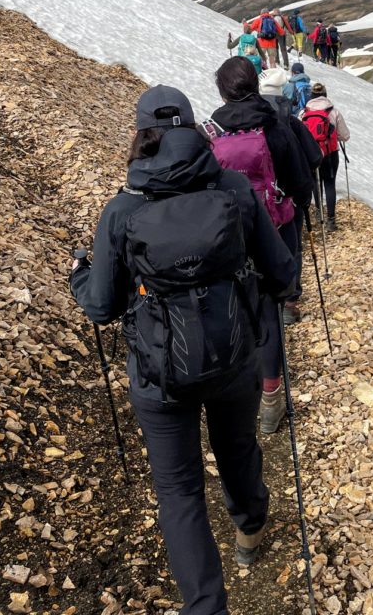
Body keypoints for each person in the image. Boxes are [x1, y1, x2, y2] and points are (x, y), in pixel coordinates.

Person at [70, 85, 297, 615]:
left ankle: (206, 606)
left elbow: (102, 306)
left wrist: (79, 276)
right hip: (235, 357)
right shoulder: (236, 191)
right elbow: (282, 273)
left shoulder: (122, 211)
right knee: (237, 447)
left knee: (179, 490)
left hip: (158, 374)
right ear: (195, 130)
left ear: (142, 135)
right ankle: (250, 527)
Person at [207, 58, 313, 427]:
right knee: (269, 313)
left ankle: (232, 392)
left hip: (226, 234)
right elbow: (301, 183)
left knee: (230, 307)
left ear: (222, 89)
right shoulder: (274, 126)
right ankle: (270, 402)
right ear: (255, 85)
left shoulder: (211, 130)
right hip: (274, 230)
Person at [259, 67, 323, 324]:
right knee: (291, 245)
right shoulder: (292, 121)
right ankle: (289, 301)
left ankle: (262, 298)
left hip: (256, 198)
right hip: (289, 196)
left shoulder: (246, 122)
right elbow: (315, 157)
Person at [302, 82, 350, 233]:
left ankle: (318, 212)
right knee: (330, 184)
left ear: (312, 96)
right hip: (330, 153)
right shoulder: (333, 111)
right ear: (325, 95)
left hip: (311, 153)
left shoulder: (304, 113)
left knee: (315, 183)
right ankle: (331, 220)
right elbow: (345, 136)